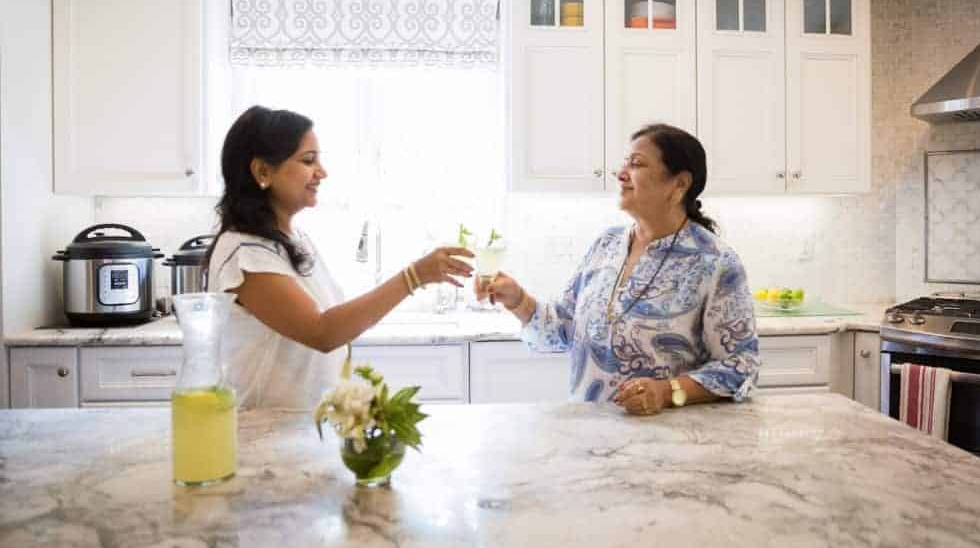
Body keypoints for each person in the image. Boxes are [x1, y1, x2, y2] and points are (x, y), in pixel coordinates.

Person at [478, 123, 759, 415]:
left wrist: (665, 392)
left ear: (679, 184)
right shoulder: (606, 244)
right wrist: (518, 300)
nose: (621, 173)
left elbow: (740, 366)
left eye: (636, 164)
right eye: (624, 163)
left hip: (669, 444)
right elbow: (563, 330)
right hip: (588, 437)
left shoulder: (715, 262)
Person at [204, 106, 473, 409]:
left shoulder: (295, 241)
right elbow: (323, 332)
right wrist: (414, 276)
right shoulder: (245, 254)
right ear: (263, 171)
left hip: (302, 430)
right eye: (308, 160)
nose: (322, 172)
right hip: (264, 433)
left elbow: (336, 324)